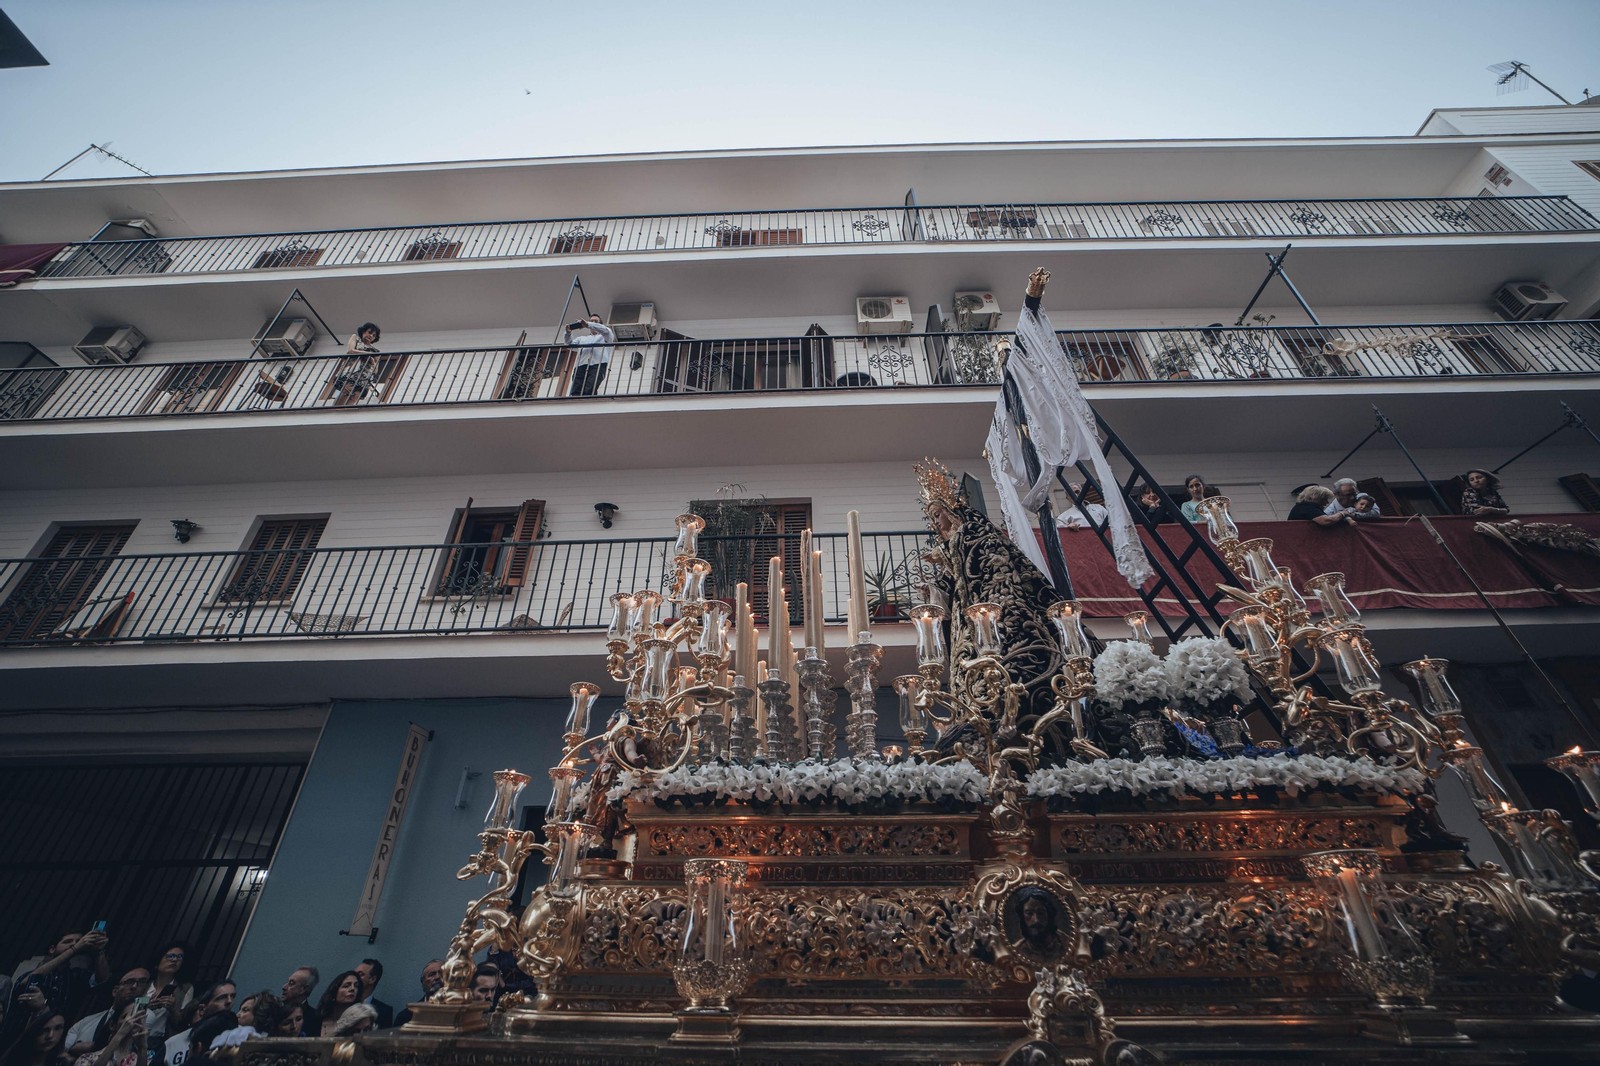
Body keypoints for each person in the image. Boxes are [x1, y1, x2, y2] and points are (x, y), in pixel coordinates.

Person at [65, 968, 149, 1058]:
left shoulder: (146, 1017)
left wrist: (92, 1047)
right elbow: (64, 1051)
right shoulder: (86, 1021)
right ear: (115, 991)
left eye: (142, 983)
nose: (134, 986)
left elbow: (130, 1047)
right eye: (129, 982)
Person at [162, 982, 233, 1066]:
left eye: (232, 996)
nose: (229, 1001)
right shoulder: (172, 1043)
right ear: (202, 1009)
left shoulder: (241, 1039)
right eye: (221, 998)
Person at [142, 942, 194, 1039]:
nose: (174, 960)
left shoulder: (184, 989)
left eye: (179, 957)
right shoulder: (145, 986)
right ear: (158, 963)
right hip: (136, 1036)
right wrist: (146, 1007)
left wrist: (173, 1009)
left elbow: (183, 1023)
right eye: (170, 956)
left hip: (160, 1040)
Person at [208, 992, 283, 1053]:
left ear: (262, 1013)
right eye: (240, 1010)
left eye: (245, 1010)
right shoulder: (228, 1036)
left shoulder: (273, 1044)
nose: (237, 1014)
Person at [77, 1003, 145, 1066]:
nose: (131, 1021)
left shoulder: (143, 1058)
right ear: (112, 1025)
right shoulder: (87, 1058)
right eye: (125, 1017)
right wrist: (120, 1034)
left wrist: (142, 1048)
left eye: (136, 1017)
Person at [564, 314, 616, 396]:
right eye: (591, 321)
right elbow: (569, 345)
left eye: (596, 321)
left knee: (590, 388)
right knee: (576, 390)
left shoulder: (606, 336)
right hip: (581, 365)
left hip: (598, 364)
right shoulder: (581, 339)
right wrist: (568, 333)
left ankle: (588, 405)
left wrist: (588, 324)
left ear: (600, 324)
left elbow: (605, 330)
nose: (593, 322)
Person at [0, 1012, 69, 1066]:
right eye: (44, 1030)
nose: (50, 1036)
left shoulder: (60, 1063)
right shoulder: (14, 1060)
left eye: (58, 1028)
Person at [390, 960, 443, 1029]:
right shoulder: (406, 1016)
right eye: (432, 974)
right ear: (423, 982)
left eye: (442, 973)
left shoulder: (460, 1013)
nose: (437, 977)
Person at [315, 972, 363, 1038]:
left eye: (356, 986)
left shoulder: (360, 1022)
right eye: (346, 986)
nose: (352, 989)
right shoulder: (316, 1020)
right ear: (334, 991)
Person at [278, 968, 319, 1037]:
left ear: (303, 989)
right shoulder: (274, 1014)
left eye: (291, 983)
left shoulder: (316, 1019)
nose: (284, 987)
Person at [352, 959, 391, 1030]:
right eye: (354, 974)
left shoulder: (385, 1011)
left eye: (360, 974)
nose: (355, 978)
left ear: (372, 979)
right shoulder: (344, 1004)